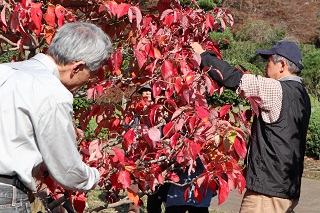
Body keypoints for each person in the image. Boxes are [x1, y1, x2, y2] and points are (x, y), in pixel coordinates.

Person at [0, 22, 112, 212]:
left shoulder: (5, 70)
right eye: (91, 73)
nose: (89, 81)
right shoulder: (52, 92)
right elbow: (68, 172)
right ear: (77, 67)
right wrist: (96, 174)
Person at [191, 40, 311, 212]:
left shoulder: (276, 89)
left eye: (268, 61)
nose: (265, 67)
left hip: (266, 193)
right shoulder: (302, 95)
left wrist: (203, 55)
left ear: (282, 65)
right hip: (287, 189)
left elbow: (234, 78)